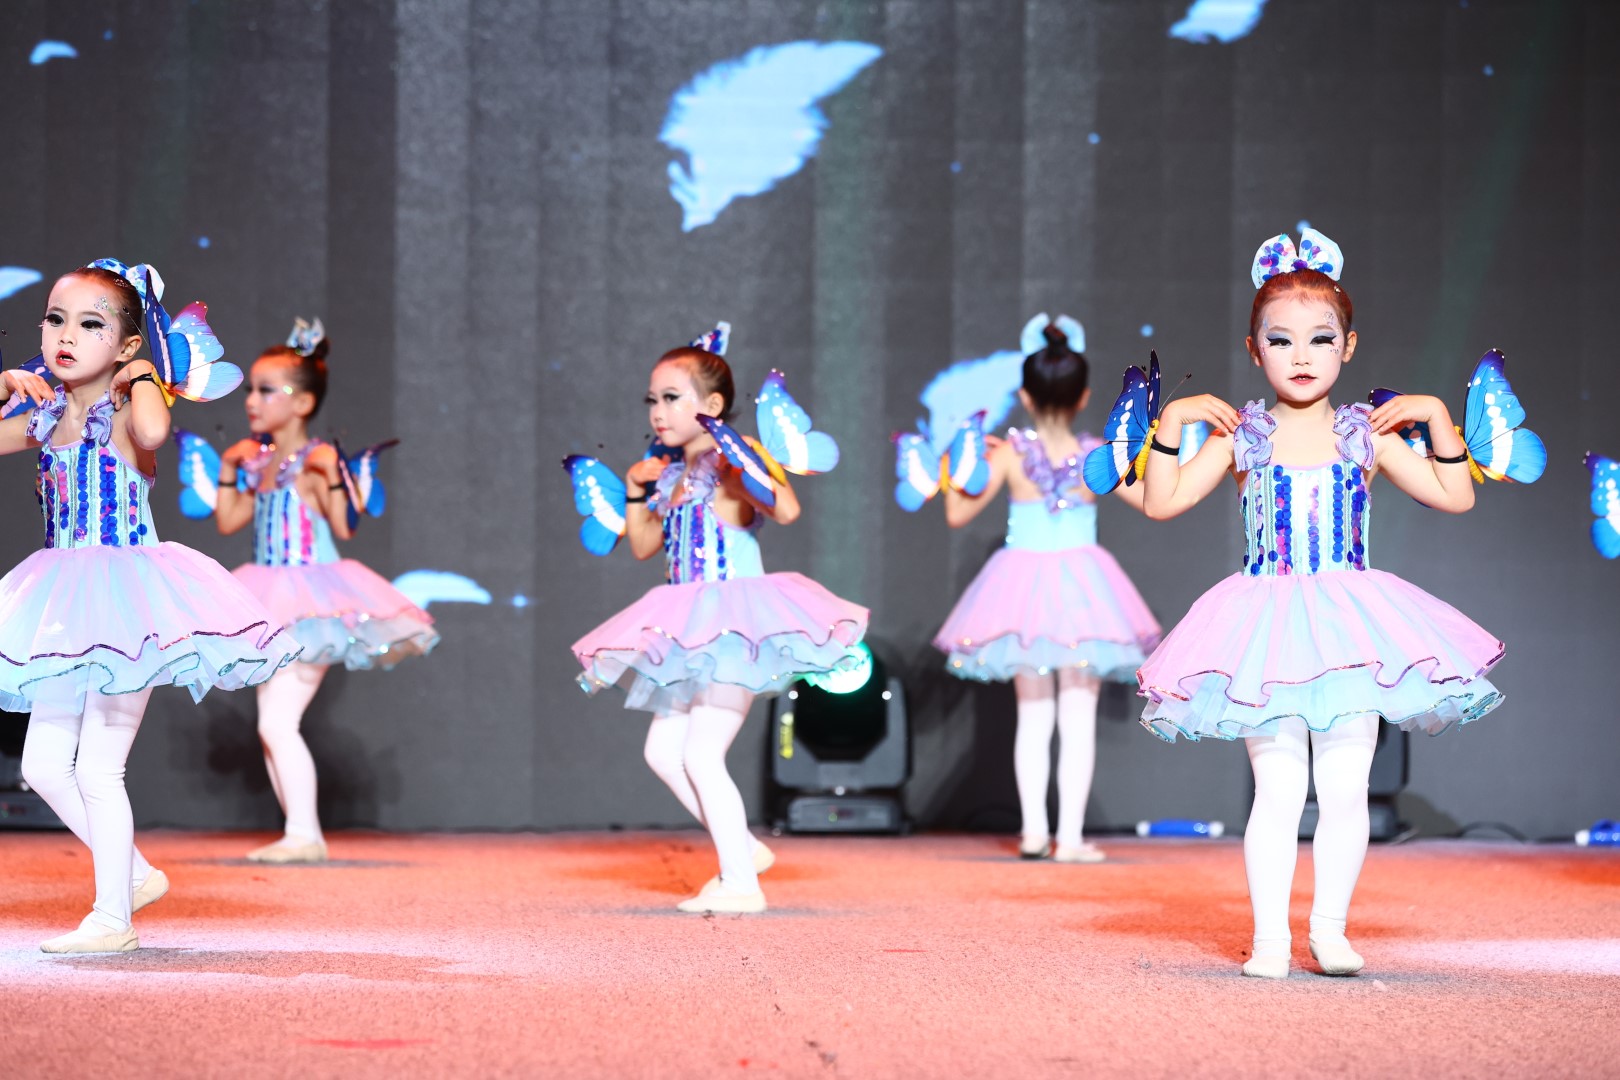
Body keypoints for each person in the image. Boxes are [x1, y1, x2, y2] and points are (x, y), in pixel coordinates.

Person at [1136, 229, 1505, 978]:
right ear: (1254, 350)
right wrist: (1171, 425)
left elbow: (1455, 494)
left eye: (1320, 338)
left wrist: (1437, 419)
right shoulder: (1245, 438)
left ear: (1348, 346)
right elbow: (1161, 502)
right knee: (1278, 791)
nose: (1301, 355)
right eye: (1281, 340)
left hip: (1350, 631)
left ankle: (1328, 931)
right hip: (1265, 629)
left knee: (1344, 791)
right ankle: (1271, 938)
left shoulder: (1363, 437)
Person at [0, 260, 301, 953]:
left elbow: (156, 432)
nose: (65, 336)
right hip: (61, 606)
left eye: (90, 324)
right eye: (55, 319)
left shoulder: (127, 409)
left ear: (128, 344)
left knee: (98, 768)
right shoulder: (45, 416)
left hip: (129, 603)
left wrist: (140, 375)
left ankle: (114, 919)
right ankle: (132, 874)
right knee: (42, 766)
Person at [572, 337, 868, 913]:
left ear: (711, 404)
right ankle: (744, 851)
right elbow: (642, 546)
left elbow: (787, 509)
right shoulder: (671, 474)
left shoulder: (732, 456)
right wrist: (634, 490)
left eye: (671, 397)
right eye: (652, 400)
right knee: (664, 754)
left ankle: (741, 884)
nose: (658, 412)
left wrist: (748, 461)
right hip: (687, 627)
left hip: (737, 627)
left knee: (702, 755)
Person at [934, 318, 1159, 863]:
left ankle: (1035, 833)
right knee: (1077, 721)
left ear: (1025, 396)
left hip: (1021, 593)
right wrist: (1147, 449)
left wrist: (953, 461)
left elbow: (957, 512)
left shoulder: (1008, 453)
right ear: (1084, 396)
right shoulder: (1099, 453)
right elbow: (1153, 501)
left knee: (1032, 717)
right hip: (1086, 597)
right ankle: (1070, 839)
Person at [212, 319, 438, 863]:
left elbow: (345, 525)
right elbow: (228, 520)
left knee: (277, 721)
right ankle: (301, 832)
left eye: (266, 390)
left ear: (303, 402)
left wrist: (333, 472)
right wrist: (228, 467)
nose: (251, 400)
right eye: (250, 389)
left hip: (313, 600)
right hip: (266, 595)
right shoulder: (261, 463)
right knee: (271, 723)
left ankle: (304, 835)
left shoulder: (316, 460)